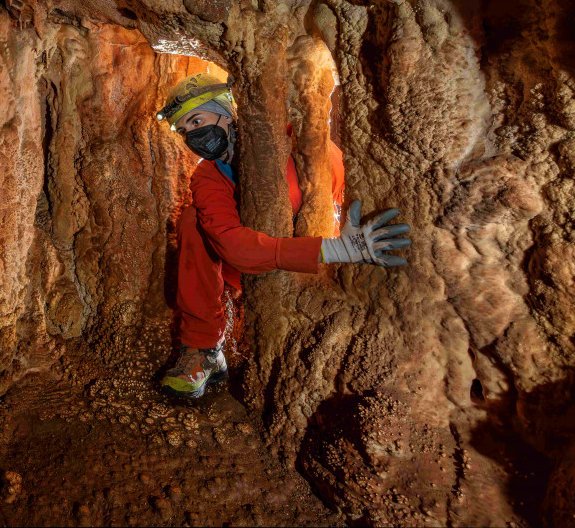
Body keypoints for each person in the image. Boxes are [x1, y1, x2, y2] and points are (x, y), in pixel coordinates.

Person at [156, 73, 411, 399]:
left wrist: (350, 243)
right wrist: (335, 250)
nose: (193, 134)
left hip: (324, 254)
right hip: (263, 263)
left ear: (226, 110)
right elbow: (233, 247)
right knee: (193, 220)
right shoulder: (208, 176)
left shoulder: (297, 143)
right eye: (184, 130)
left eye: (196, 120)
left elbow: (349, 188)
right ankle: (202, 349)